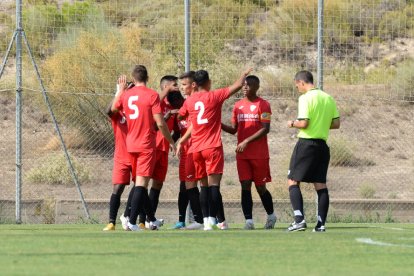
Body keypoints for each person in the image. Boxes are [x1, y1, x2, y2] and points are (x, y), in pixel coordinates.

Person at [177, 68, 252, 230]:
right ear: (209, 82)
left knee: (203, 186)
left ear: (194, 84)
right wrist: (243, 74)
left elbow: (181, 115)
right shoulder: (215, 95)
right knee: (214, 186)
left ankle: (206, 223)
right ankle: (220, 221)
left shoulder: (189, 101)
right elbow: (237, 85)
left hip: (196, 149)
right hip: (212, 146)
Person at [111, 65, 176, 231]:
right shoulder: (152, 95)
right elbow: (160, 123)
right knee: (141, 184)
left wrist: (120, 91)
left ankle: (147, 220)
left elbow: (112, 109)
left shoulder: (126, 95)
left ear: (133, 78)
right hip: (146, 144)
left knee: (139, 183)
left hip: (130, 144)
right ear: (147, 77)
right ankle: (131, 221)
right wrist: (172, 141)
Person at [286, 70, 340, 232]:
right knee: (320, 185)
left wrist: (292, 123)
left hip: (306, 145)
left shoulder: (305, 98)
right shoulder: (328, 98)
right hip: (322, 147)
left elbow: (304, 123)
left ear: (302, 82)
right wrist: (321, 124)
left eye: (297, 85)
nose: (298, 88)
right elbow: (336, 124)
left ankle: (299, 220)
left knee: (292, 180)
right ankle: (320, 224)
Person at [221, 75, 277, 230]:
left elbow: (265, 129)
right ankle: (249, 221)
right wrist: (217, 124)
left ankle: (271, 215)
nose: (245, 87)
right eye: (243, 85)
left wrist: (246, 141)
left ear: (256, 87)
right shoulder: (238, 106)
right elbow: (233, 130)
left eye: (249, 85)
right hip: (243, 155)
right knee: (245, 185)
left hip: (259, 154)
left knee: (260, 187)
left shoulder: (263, 105)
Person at [138, 75, 181, 229]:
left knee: (157, 185)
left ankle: (150, 220)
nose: (177, 88)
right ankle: (140, 220)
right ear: (165, 87)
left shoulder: (174, 103)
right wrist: (167, 89)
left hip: (163, 150)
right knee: (143, 183)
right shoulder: (155, 99)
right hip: (151, 147)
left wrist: (172, 142)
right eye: (174, 85)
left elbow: (177, 130)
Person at [173, 71, 204, 230]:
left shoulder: (196, 101)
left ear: (193, 85)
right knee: (184, 185)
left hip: (194, 149)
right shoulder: (187, 103)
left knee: (193, 185)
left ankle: (201, 220)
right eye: (181, 85)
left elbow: (193, 125)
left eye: (184, 85)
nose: (182, 88)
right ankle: (182, 220)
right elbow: (178, 120)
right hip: (185, 151)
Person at [102, 86, 135, 231]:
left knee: (139, 185)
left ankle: (130, 217)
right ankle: (111, 222)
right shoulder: (118, 113)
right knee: (118, 187)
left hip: (137, 153)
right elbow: (108, 111)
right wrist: (118, 92)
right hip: (121, 155)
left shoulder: (137, 112)